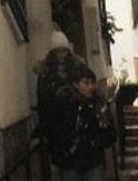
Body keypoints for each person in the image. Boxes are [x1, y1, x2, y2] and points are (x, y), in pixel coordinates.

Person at [34, 29, 111, 181]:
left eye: (64, 51)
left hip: (87, 150)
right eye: (58, 51)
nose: (61, 55)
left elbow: (107, 129)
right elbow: (44, 105)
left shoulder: (77, 70)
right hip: (63, 137)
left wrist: (93, 142)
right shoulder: (46, 74)